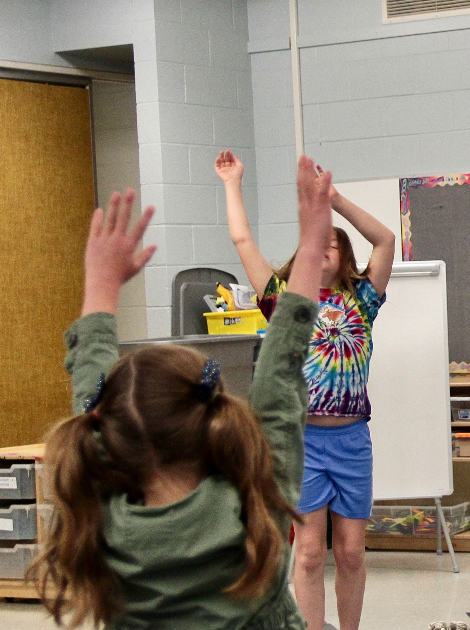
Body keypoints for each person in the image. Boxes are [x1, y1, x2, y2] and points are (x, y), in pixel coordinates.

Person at [30, 156, 333, 629]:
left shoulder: (99, 518)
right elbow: (279, 376)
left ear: (105, 437)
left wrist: (101, 283)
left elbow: (90, 391)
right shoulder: (256, 499)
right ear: (208, 419)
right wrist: (312, 245)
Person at [216, 151, 396, 630]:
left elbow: (385, 238)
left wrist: (334, 201)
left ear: (345, 257)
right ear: (303, 254)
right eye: (319, 243)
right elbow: (241, 239)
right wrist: (232, 183)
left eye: (336, 245)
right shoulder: (285, 303)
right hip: (302, 443)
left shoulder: (362, 299)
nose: (327, 249)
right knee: (311, 552)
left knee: (352, 552)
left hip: (351, 439)